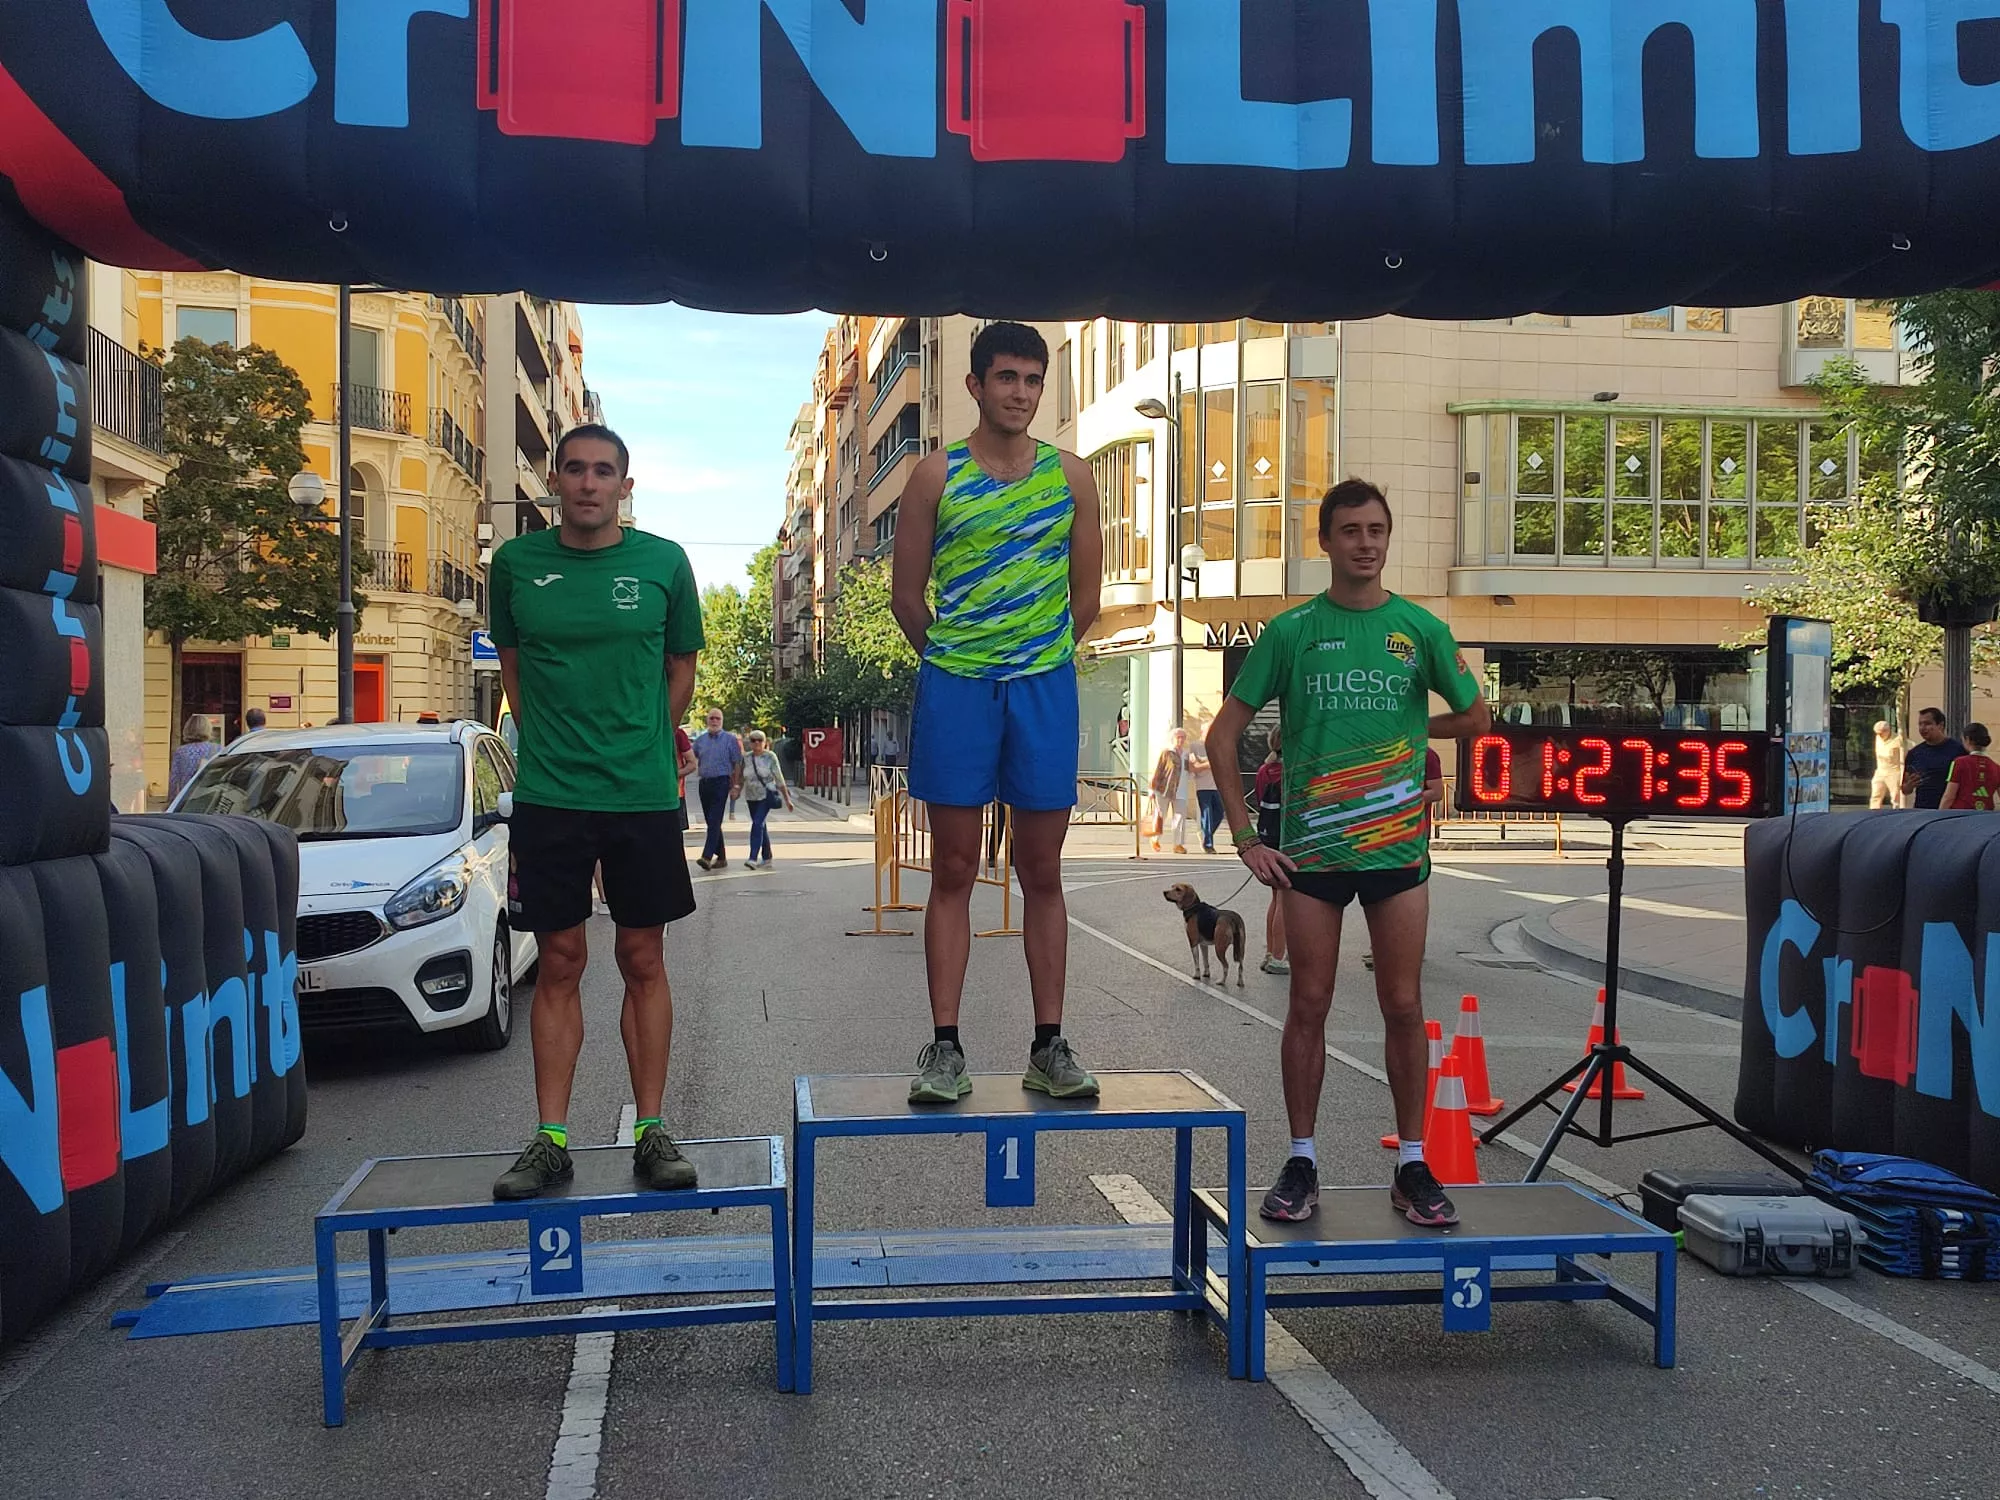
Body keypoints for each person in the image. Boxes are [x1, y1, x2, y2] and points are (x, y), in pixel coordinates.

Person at [1207, 478, 1491, 1228]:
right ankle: (1301, 1159)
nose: (1365, 542)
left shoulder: (1419, 629)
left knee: (1403, 1005)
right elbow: (1221, 736)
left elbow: (1477, 716)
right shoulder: (1292, 631)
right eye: (1350, 530)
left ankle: (1412, 1164)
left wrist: (1411, 743)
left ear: (1387, 539)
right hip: (1311, 856)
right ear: (1325, 541)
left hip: (1396, 851)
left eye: (1376, 530)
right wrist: (1245, 840)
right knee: (1309, 1002)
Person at [485, 423, 704, 1201]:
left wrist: (644, 740)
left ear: (624, 485)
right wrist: (553, 741)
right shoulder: (514, 565)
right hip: (550, 796)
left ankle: (653, 1131)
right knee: (562, 963)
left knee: (643, 959)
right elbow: (513, 670)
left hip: (641, 795)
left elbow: (680, 668)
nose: (587, 483)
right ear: (554, 478)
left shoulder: (664, 564)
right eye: (573, 469)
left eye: (602, 471)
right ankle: (550, 1140)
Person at [891, 320, 1104, 1104]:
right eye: (1006, 378)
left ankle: (1049, 1045)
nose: (1020, 393)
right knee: (953, 868)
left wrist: (1034, 652)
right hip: (957, 687)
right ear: (975, 386)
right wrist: (958, 659)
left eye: (1033, 379)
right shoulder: (933, 477)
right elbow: (906, 599)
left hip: (1043, 687)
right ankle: (945, 1048)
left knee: (1041, 870)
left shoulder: (1073, 478)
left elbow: (1086, 598)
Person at [1254, 727, 1288, 975]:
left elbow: (1257, 800)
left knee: (1276, 898)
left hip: (1268, 836)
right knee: (1285, 898)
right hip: (1288, 838)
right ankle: (1278, 956)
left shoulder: (1264, 770)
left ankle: (1270, 952)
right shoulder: (1292, 770)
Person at [692, 708, 744, 870]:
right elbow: (691, 758)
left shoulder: (730, 740)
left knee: (715, 820)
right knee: (711, 821)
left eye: (717, 719)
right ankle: (721, 857)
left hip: (722, 782)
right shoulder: (700, 741)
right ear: (707, 720)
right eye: (711, 718)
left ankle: (707, 856)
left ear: (722, 721)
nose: (714, 721)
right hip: (705, 783)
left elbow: (737, 763)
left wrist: (736, 785)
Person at [741, 729, 794, 867]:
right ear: (750, 743)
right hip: (751, 796)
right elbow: (741, 776)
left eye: (760, 740)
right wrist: (735, 790)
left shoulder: (771, 757)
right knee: (760, 825)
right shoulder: (746, 758)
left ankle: (752, 858)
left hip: (766, 795)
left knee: (757, 824)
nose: (757, 743)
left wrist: (787, 799)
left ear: (765, 742)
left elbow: (779, 778)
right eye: (753, 740)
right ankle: (767, 856)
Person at [1903, 707, 1968, 811]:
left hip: (1951, 812)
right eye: (1920, 724)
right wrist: (1909, 786)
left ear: (1940, 725)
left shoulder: (1959, 750)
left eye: (1927, 724)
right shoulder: (1914, 753)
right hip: (1922, 811)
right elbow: (1905, 789)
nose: (1923, 728)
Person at [1150, 727, 1192, 853]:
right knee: (1160, 815)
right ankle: (1155, 838)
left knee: (1180, 818)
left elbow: (1189, 770)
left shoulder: (1186, 753)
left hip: (1181, 790)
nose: (1181, 740)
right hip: (1164, 789)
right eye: (1178, 737)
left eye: (1183, 737)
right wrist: (1152, 789)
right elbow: (1158, 770)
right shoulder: (1167, 752)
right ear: (1173, 738)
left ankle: (1178, 844)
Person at [1941, 722, 2000, 810]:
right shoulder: (1996, 767)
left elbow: (1949, 796)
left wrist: (1940, 816)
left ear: (1967, 739)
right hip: (1985, 816)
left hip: (1961, 815)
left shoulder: (1959, 762)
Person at [1188, 718, 1222, 853]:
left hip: (1215, 785)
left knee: (1219, 813)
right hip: (1203, 786)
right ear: (1202, 731)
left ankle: (1205, 834)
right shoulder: (1195, 746)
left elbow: (1219, 762)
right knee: (1207, 814)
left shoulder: (1215, 744)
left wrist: (1204, 763)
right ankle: (1208, 844)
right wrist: (1208, 763)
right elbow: (1193, 766)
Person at [168, 713, 219, 800]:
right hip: (210, 797)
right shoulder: (217, 749)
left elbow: (174, 780)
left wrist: (172, 801)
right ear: (208, 729)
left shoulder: (181, 752)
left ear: (187, 729)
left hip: (187, 799)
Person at [1870, 720, 1908, 809]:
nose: (1879, 735)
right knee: (1876, 794)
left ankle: (1896, 813)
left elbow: (1910, 747)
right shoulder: (1878, 738)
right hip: (1880, 770)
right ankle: (1873, 813)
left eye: (1881, 733)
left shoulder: (1898, 740)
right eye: (1877, 733)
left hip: (1893, 771)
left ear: (1887, 731)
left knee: (1895, 797)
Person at [674, 724, 697, 833]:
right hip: (646, 796)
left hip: (675, 795)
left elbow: (692, 764)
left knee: (675, 838)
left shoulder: (677, 733)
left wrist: (672, 775)